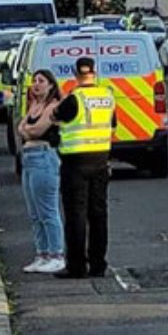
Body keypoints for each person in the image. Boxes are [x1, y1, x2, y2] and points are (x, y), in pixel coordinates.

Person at [51, 56, 115, 278]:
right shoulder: (107, 96)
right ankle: (98, 265)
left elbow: (54, 117)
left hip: (75, 164)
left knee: (76, 216)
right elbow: (112, 124)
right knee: (98, 215)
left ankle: (77, 266)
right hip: (100, 161)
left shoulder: (74, 99)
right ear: (95, 73)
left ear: (76, 74)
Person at [16, 70, 66, 274]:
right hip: (28, 158)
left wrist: (27, 131)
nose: (36, 84)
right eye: (34, 81)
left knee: (48, 210)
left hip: (44, 158)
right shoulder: (34, 105)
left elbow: (36, 130)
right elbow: (21, 127)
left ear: (51, 85)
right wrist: (27, 130)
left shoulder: (53, 106)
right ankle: (42, 254)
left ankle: (56, 255)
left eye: (41, 81)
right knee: (34, 213)